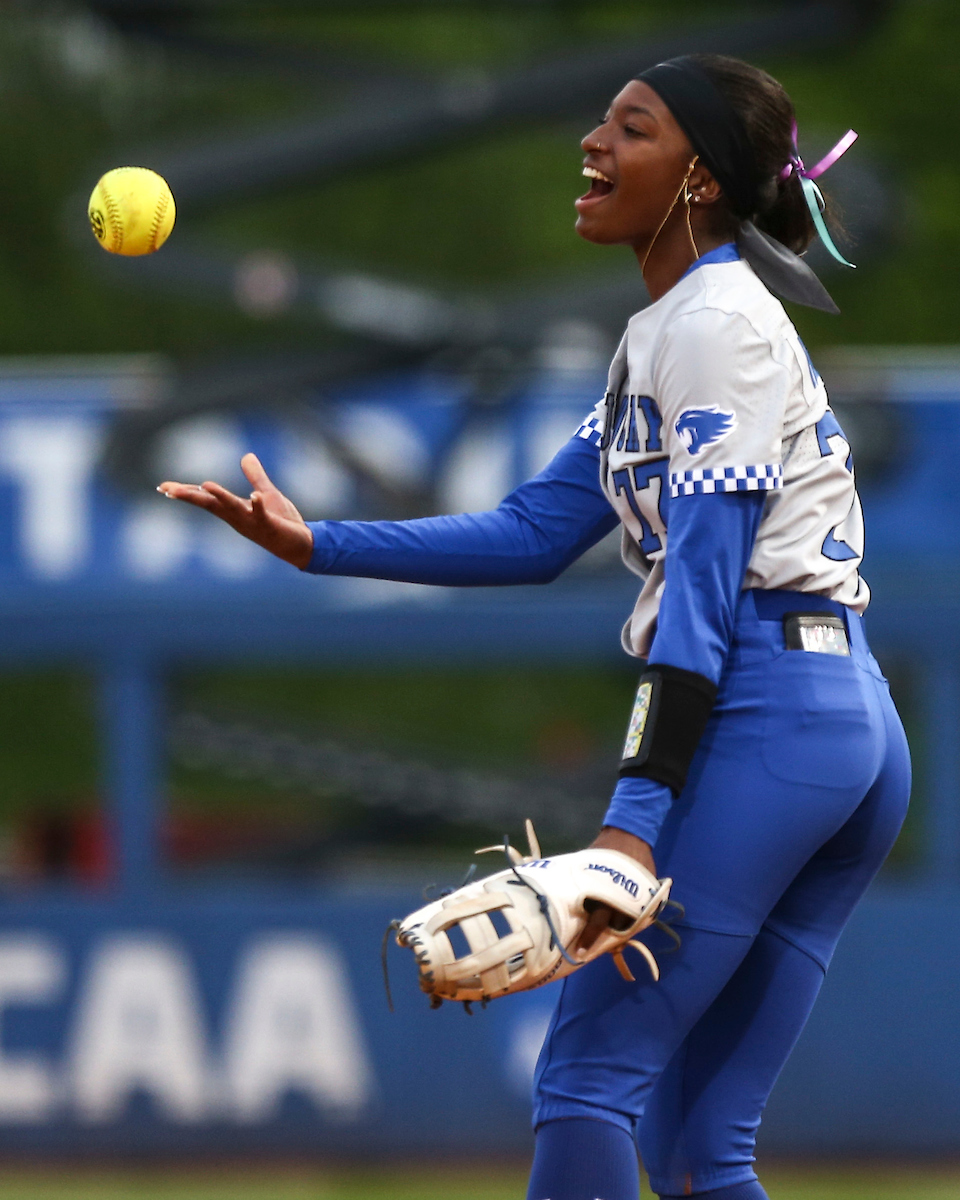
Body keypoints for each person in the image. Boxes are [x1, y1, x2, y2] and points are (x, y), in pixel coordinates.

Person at [159, 54, 910, 1200]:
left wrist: (633, 821)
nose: (594, 145)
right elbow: (533, 531)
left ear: (699, 177)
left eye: (632, 129)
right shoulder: (662, 336)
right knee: (699, 1148)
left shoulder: (715, 327)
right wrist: (321, 543)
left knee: (588, 1081)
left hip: (770, 718)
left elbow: (704, 597)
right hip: (836, 722)